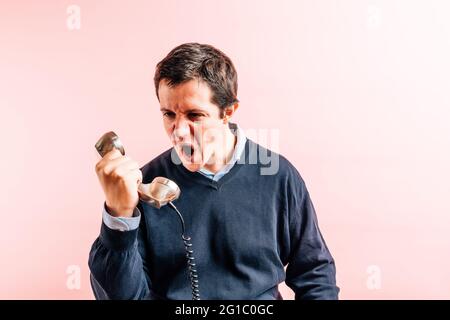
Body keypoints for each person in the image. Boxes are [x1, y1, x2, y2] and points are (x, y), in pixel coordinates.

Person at [88, 42, 339, 300]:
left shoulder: (278, 176)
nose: (179, 130)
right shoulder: (148, 184)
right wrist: (120, 217)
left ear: (227, 112)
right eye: (168, 114)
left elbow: (315, 274)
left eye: (195, 115)